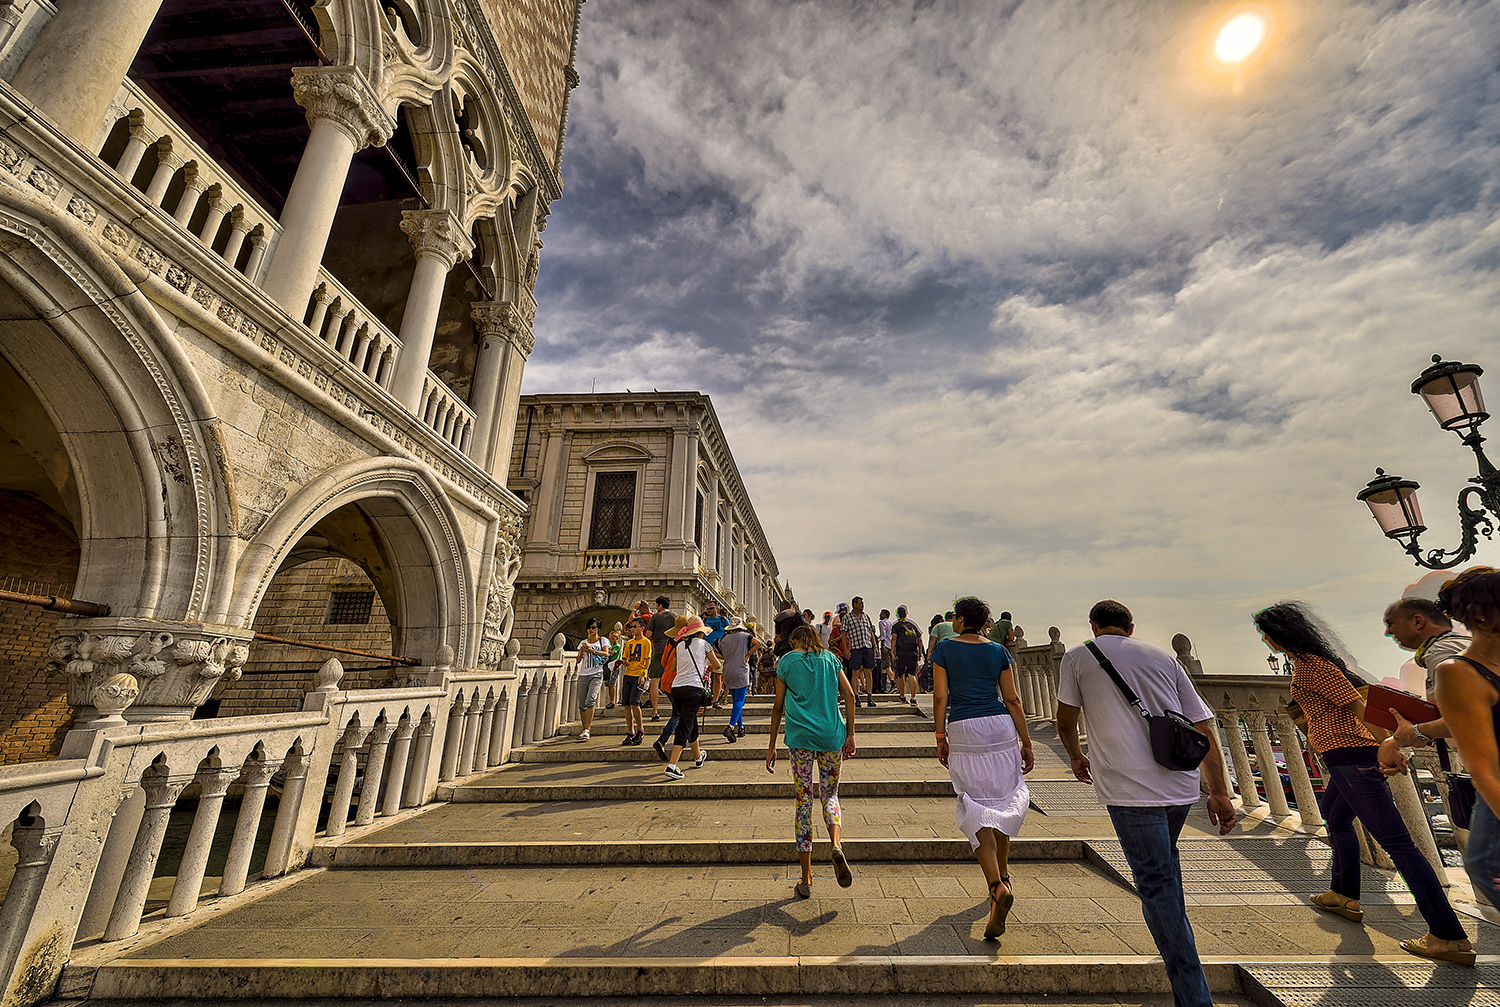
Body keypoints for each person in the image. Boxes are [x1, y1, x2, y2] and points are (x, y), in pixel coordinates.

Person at [1254, 601, 1471, 965]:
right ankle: (1344, 894)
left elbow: (1358, 708)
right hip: (1344, 756)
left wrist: (1391, 746)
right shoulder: (1309, 664)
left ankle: (1447, 935)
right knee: (1335, 817)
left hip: (1351, 756)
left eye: (1265, 632)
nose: (1264, 639)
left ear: (1281, 633)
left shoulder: (1312, 666)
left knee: (1398, 845)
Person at [1057, 599, 1237, 1007]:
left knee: (1156, 886)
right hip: (1179, 787)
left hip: (1129, 790)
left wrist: (1074, 755)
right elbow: (1203, 725)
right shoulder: (1163, 658)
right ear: (1131, 627)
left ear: (1093, 625)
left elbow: (1065, 720)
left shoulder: (1077, 657)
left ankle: (1194, 998)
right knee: (1166, 876)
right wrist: (1219, 790)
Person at [931, 596, 1033, 939]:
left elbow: (941, 697)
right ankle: (1003, 875)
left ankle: (996, 886)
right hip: (1001, 728)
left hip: (965, 728)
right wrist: (1027, 741)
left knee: (974, 805)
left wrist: (939, 735)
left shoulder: (944, 649)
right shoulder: (998, 651)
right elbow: (1013, 699)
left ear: (959, 619)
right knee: (1003, 800)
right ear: (985, 621)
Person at [1431, 568, 1500, 931]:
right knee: (1487, 864)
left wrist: (1412, 733)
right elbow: (1483, 768)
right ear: (1482, 614)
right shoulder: (1458, 672)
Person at [767, 624, 857, 897]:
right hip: (831, 736)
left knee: (803, 801)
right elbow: (850, 696)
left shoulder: (787, 661)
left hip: (800, 739)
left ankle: (806, 878)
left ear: (795, 640)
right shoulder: (831, 659)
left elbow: (778, 706)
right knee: (830, 795)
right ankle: (836, 844)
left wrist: (771, 745)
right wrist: (850, 735)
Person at [1382, 597, 1471, 748]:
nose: (1387, 632)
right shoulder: (1462, 644)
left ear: (1417, 621)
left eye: (1390, 623)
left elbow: (1466, 717)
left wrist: (1417, 732)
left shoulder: (1440, 653)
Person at [664, 616, 720, 780]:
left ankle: (698, 757)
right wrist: (706, 667)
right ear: (701, 633)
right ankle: (672, 765)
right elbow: (717, 665)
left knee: (691, 723)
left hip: (677, 689)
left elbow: (673, 667)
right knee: (684, 726)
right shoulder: (705, 645)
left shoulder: (680, 645)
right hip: (693, 689)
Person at [719, 617, 759, 742]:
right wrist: (748, 655)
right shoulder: (745, 636)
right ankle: (731, 726)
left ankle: (741, 727)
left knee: (736, 701)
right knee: (740, 701)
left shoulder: (724, 639)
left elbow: (715, 651)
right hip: (741, 669)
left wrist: (726, 657)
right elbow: (758, 643)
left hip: (728, 671)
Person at [574, 618, 609, 741]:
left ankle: (587, 729)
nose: (591, 630)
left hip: (596, 673)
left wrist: (593, 651)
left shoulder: (603, 640)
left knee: (591, 700)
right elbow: (578, 660)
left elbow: (606, 654)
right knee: (582, 703)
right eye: (589, 628)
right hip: (583, 674)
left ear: (598, 629)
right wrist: (581, 652)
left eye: (594, 627)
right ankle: (584, 728)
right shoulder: (583, 642)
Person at [619, 618, 651, 746]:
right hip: (628, 674)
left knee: (635, 703)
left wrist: (644, 674)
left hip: (638, 675)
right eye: (631, 627)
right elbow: (625, 657)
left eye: (635, 626)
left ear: (642, 628)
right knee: (626, 705)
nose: (632, 629)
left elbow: (647, 659)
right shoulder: (629, 643)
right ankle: (630, 731)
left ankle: (640, 728)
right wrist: (624, 662)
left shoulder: (646, 642)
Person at [843, 596, 879, 707]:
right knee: (855, 672)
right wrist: (845, 649)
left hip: (867, 646)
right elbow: (843, 634)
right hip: (855, 647)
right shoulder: (847, 617)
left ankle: (869, 697)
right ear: (855, 604)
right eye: (860, 603)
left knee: (868, 672)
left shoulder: (866, 616)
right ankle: (857, 697)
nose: (862, 605)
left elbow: (870, 632)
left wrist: (875, 645)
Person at [647, 596, 676, 722]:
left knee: (654, 681)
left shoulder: (655, 617)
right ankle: (676, 709)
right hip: (672, 651)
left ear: (660, 605)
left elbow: (648, 634)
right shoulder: (675, 616)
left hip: (659, 650)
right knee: (674, 680)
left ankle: (655, 711)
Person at [891, 605, 925, 705]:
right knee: (912, 674)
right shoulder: (913, 624)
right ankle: (913, 697)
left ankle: (902, 696)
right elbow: (920, 639)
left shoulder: (896, 626)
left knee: (900, 674)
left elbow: (894, 638)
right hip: (912, 652)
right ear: (907, 613)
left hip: (901, 652)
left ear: (897, 614)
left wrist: (892, 652)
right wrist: (920, 652)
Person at [603, 624, 624, 709]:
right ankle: (610, 700)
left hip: (614, 666)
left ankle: (612, 701)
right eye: (610, 638)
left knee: (612, 683)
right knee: (608, 683)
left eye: (613, 638)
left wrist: (604, 649)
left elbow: (612, 653)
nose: (611, 640)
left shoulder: (617, 646)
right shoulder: (610, 645)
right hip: (608, 666)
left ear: (617, 639)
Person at [878, 608, 894, 695]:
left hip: (886, 646)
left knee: (887, 666)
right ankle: (894, 681)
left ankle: (892, 682)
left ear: (884, 614)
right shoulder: (892, 623)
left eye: (881, 614)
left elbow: (883, 634)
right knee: (892, 666)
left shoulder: (882, 623)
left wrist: (882, 645)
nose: (879, 615)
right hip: (892, 646)